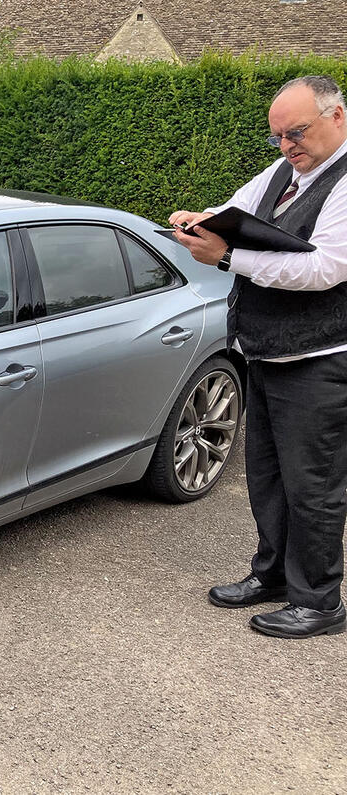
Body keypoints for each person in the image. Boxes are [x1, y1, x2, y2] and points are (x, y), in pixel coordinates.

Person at [169, 75, 347, 639]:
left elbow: (324, 269)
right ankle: (272, 575)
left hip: (319, 359)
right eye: (278, 138)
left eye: (296, 133)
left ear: (336, 117)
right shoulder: (282, 173)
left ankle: (319, 601)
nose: (287, 147)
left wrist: (226, 259)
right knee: (267, 476)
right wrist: (199, 219)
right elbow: (235, 209)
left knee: (312, 484)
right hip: (266, 351)